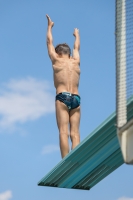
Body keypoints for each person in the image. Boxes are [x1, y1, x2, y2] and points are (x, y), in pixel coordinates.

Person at [46, 14, 81, 158]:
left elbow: (49, 41)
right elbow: (77, 47)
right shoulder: (76, 60)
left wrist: (49, 26)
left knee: (63, 131)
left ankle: (66, 161)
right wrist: (76, 35)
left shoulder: (56, 60)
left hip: (62, 97)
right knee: (75, 133)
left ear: (58, 53)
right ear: (69, 53)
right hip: (76, 99)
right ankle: (77, 161)